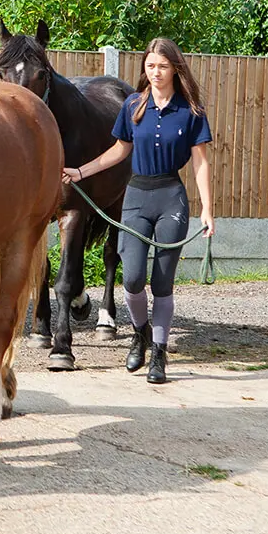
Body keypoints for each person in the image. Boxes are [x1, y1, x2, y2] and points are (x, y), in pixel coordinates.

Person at [62, 37, 214, 385]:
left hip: (170, 198)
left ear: (175, 68)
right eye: (150, 66)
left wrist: (208, 209)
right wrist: (80, 172)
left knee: (162, 283)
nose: (156, 72)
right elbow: (118, 151)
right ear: (144, 69)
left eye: (162, 66)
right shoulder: (133, 105)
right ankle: (140, 333)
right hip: (136, 197)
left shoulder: (190, 112)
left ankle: (158, 352)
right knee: (131, 279)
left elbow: (202, 164)